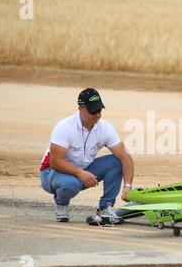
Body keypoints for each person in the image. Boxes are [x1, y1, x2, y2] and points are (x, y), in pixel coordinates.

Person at [39, 88, 134, 224]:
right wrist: (80, 173)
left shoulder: (105, 128)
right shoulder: (64, 127)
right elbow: (55, 162)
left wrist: (128, 186)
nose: (96, 115)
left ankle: (105, 210)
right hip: (52, 173)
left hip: (83, 170)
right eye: (92, 111)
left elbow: (125, 157)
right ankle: (61, 203)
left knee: (116, 161)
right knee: (71, 184)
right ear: (80, 108)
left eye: (99, 110)